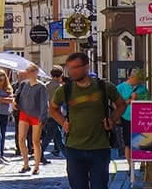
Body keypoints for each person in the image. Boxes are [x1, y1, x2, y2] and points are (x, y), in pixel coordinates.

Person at [50, 53, 127, 189]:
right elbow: (53, 109)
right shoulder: (65, 90)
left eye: (75, 67)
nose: (72, 71)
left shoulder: (104, 86)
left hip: (100, 148)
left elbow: (121, 104)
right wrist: (63, 122)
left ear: (86, 67)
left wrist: (112, 120)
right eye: (69, 68)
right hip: (74, 149)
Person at [13, 66, 50, 174]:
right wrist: (15, 103)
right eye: (28, 71)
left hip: (36, 115)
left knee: (35, 141)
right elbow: (17, 96)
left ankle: (36, 166)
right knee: (21, 139)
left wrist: (43, 117)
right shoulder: (23, 84)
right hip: (24, 113)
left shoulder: (41, 87)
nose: (29, 73)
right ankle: (26, 164)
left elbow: (44, 103)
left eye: (31, 71)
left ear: (36, 72)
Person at [113, 71, 152, 159]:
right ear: (131, 77)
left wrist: (139, 98)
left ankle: (143, 164)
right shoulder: (120, 88)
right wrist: (130, 100)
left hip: (141, 117)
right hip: (126, 117)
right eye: (137, 79)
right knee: (128, 142)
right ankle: (130, 167)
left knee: (143, 141)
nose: (139, 81)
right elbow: (116, 105)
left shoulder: (142, 88)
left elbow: (148, 102)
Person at [43, 67, 66, 157]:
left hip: (47, 113)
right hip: (56, 114)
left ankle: (66, 154)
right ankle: (39, 154)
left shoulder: (46, 85)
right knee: (50, 136)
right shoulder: (59, 87)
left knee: (57, 136)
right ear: (60, 75)